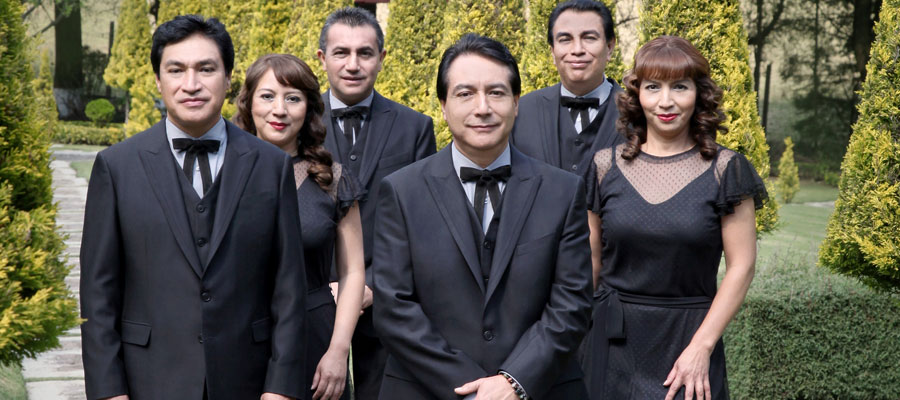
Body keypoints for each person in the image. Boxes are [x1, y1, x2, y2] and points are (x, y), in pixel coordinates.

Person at [80, 15, 307, 400]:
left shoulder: (271, 166)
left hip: (247, 381)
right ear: (158, 80)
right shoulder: (116, 167)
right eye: (176, 70)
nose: (191, 84)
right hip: (148, 381)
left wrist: (281, 389)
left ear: (228, 77)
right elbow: (98, 295)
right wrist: (109, 392)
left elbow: (289, 288)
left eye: (206, 69)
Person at [372, 33, 593, 400]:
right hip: (426, 390)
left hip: (539, 388)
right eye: (465, 93)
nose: (482, 107)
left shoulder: (563, 191)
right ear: (443, 106)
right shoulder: (401, 191)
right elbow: (394, 308)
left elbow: (572, 302)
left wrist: (513, 381)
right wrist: (472, 391)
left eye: (496, 92)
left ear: (516, 103)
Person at [583, 36, 766, 400]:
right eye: (653, 87)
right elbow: (590, 263)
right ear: (638, 95)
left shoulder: (726, 170)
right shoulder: (604, 167)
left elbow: (742, 267)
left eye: (679, 87)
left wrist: (702, 346)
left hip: (689, 345)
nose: (665, 101)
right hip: (610, 342)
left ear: (698, 94)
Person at [316, 7, 437, 398]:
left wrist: (372, 286)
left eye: (365, 53)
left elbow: (423, 223)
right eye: (341, 52)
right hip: (312, 302)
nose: (353, 64)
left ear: (382, 58)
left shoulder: (415, 127)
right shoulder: (297, 121)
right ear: (322, 58)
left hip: (388, 305)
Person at [233, 53, 365, 400]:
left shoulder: (332, 179)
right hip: (238, 335)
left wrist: (338, 350)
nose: (279, 110)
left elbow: (353, 271)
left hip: (315, 340)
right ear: (248, 103)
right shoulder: (223, 176)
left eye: (293, 98)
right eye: (267, 96)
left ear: (308, 108)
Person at [512, 0, 623, 175]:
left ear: (609, 47)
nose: (577, 50)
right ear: (552, 52)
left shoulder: (639, 114)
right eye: (565, 40)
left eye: (589, 38)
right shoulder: (522, 113)